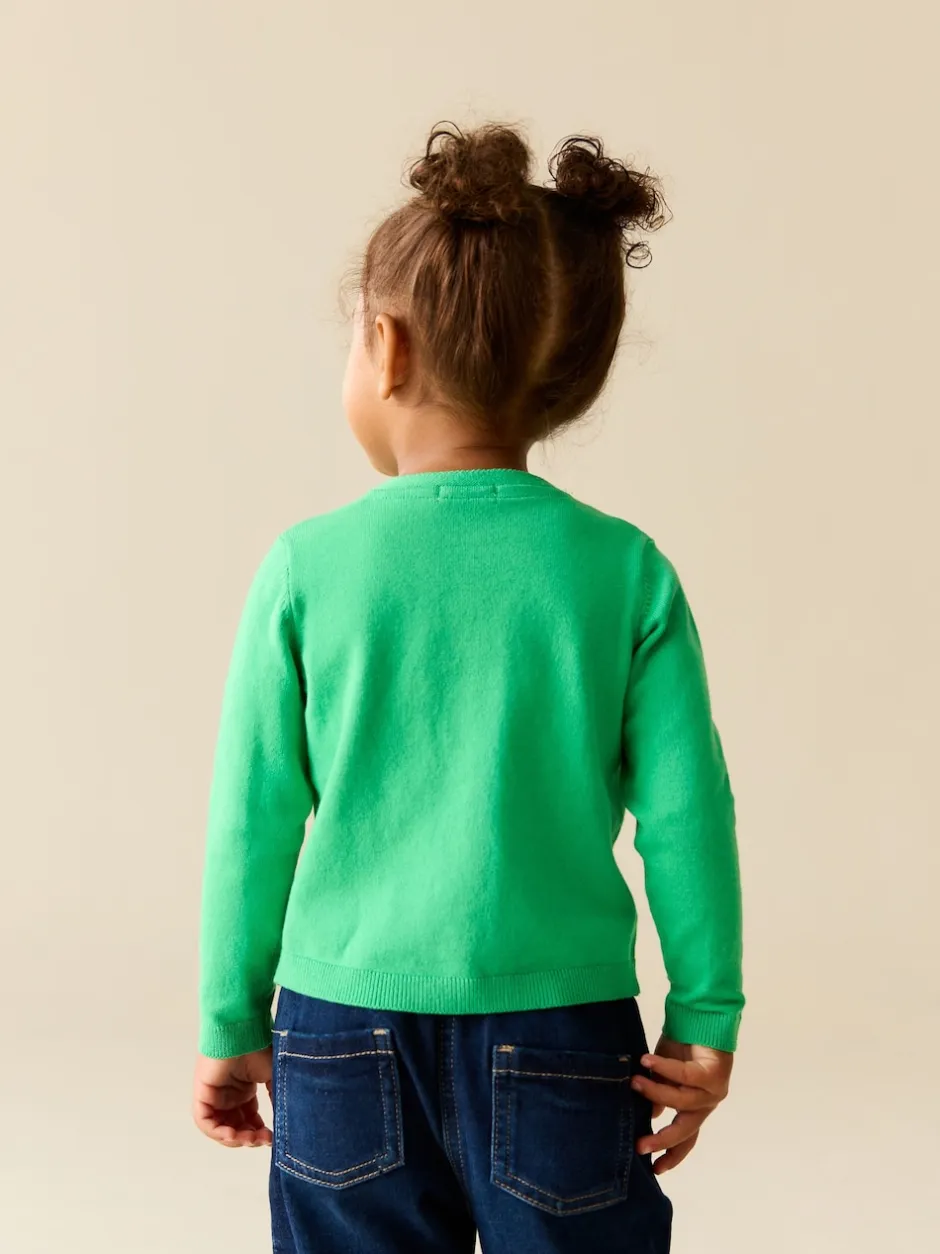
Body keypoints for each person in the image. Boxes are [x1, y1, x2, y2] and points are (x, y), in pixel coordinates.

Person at [191, 120, 744, 1254]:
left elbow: (253, 817)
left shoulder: (305, 568)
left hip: (340, 1027)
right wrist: (704, 1015)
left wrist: (229, 1017)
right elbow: (688, 815)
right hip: (565, 1029)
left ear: (384, 349)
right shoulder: (624, 571)